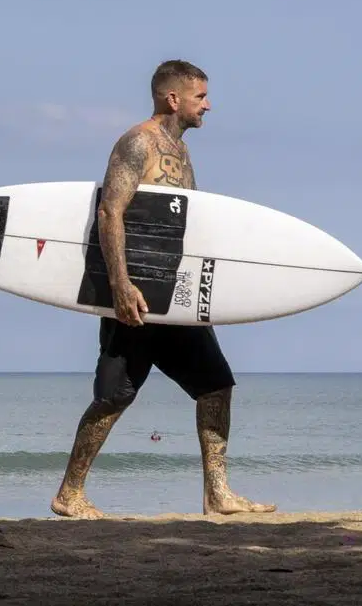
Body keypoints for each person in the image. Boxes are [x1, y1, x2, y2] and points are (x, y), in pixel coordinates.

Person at [52, 60, 274, 519]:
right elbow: (110, 213)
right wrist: (120, 285)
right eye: (200, 97)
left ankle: (218, 493)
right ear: (173, 98)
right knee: (114, 397)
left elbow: (180, 227)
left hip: (174, 298)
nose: (208, 105)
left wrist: (199, 301)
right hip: (133, 296)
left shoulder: (181, 150)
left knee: (216, 386)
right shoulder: (137, 142)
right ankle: (69, 493)